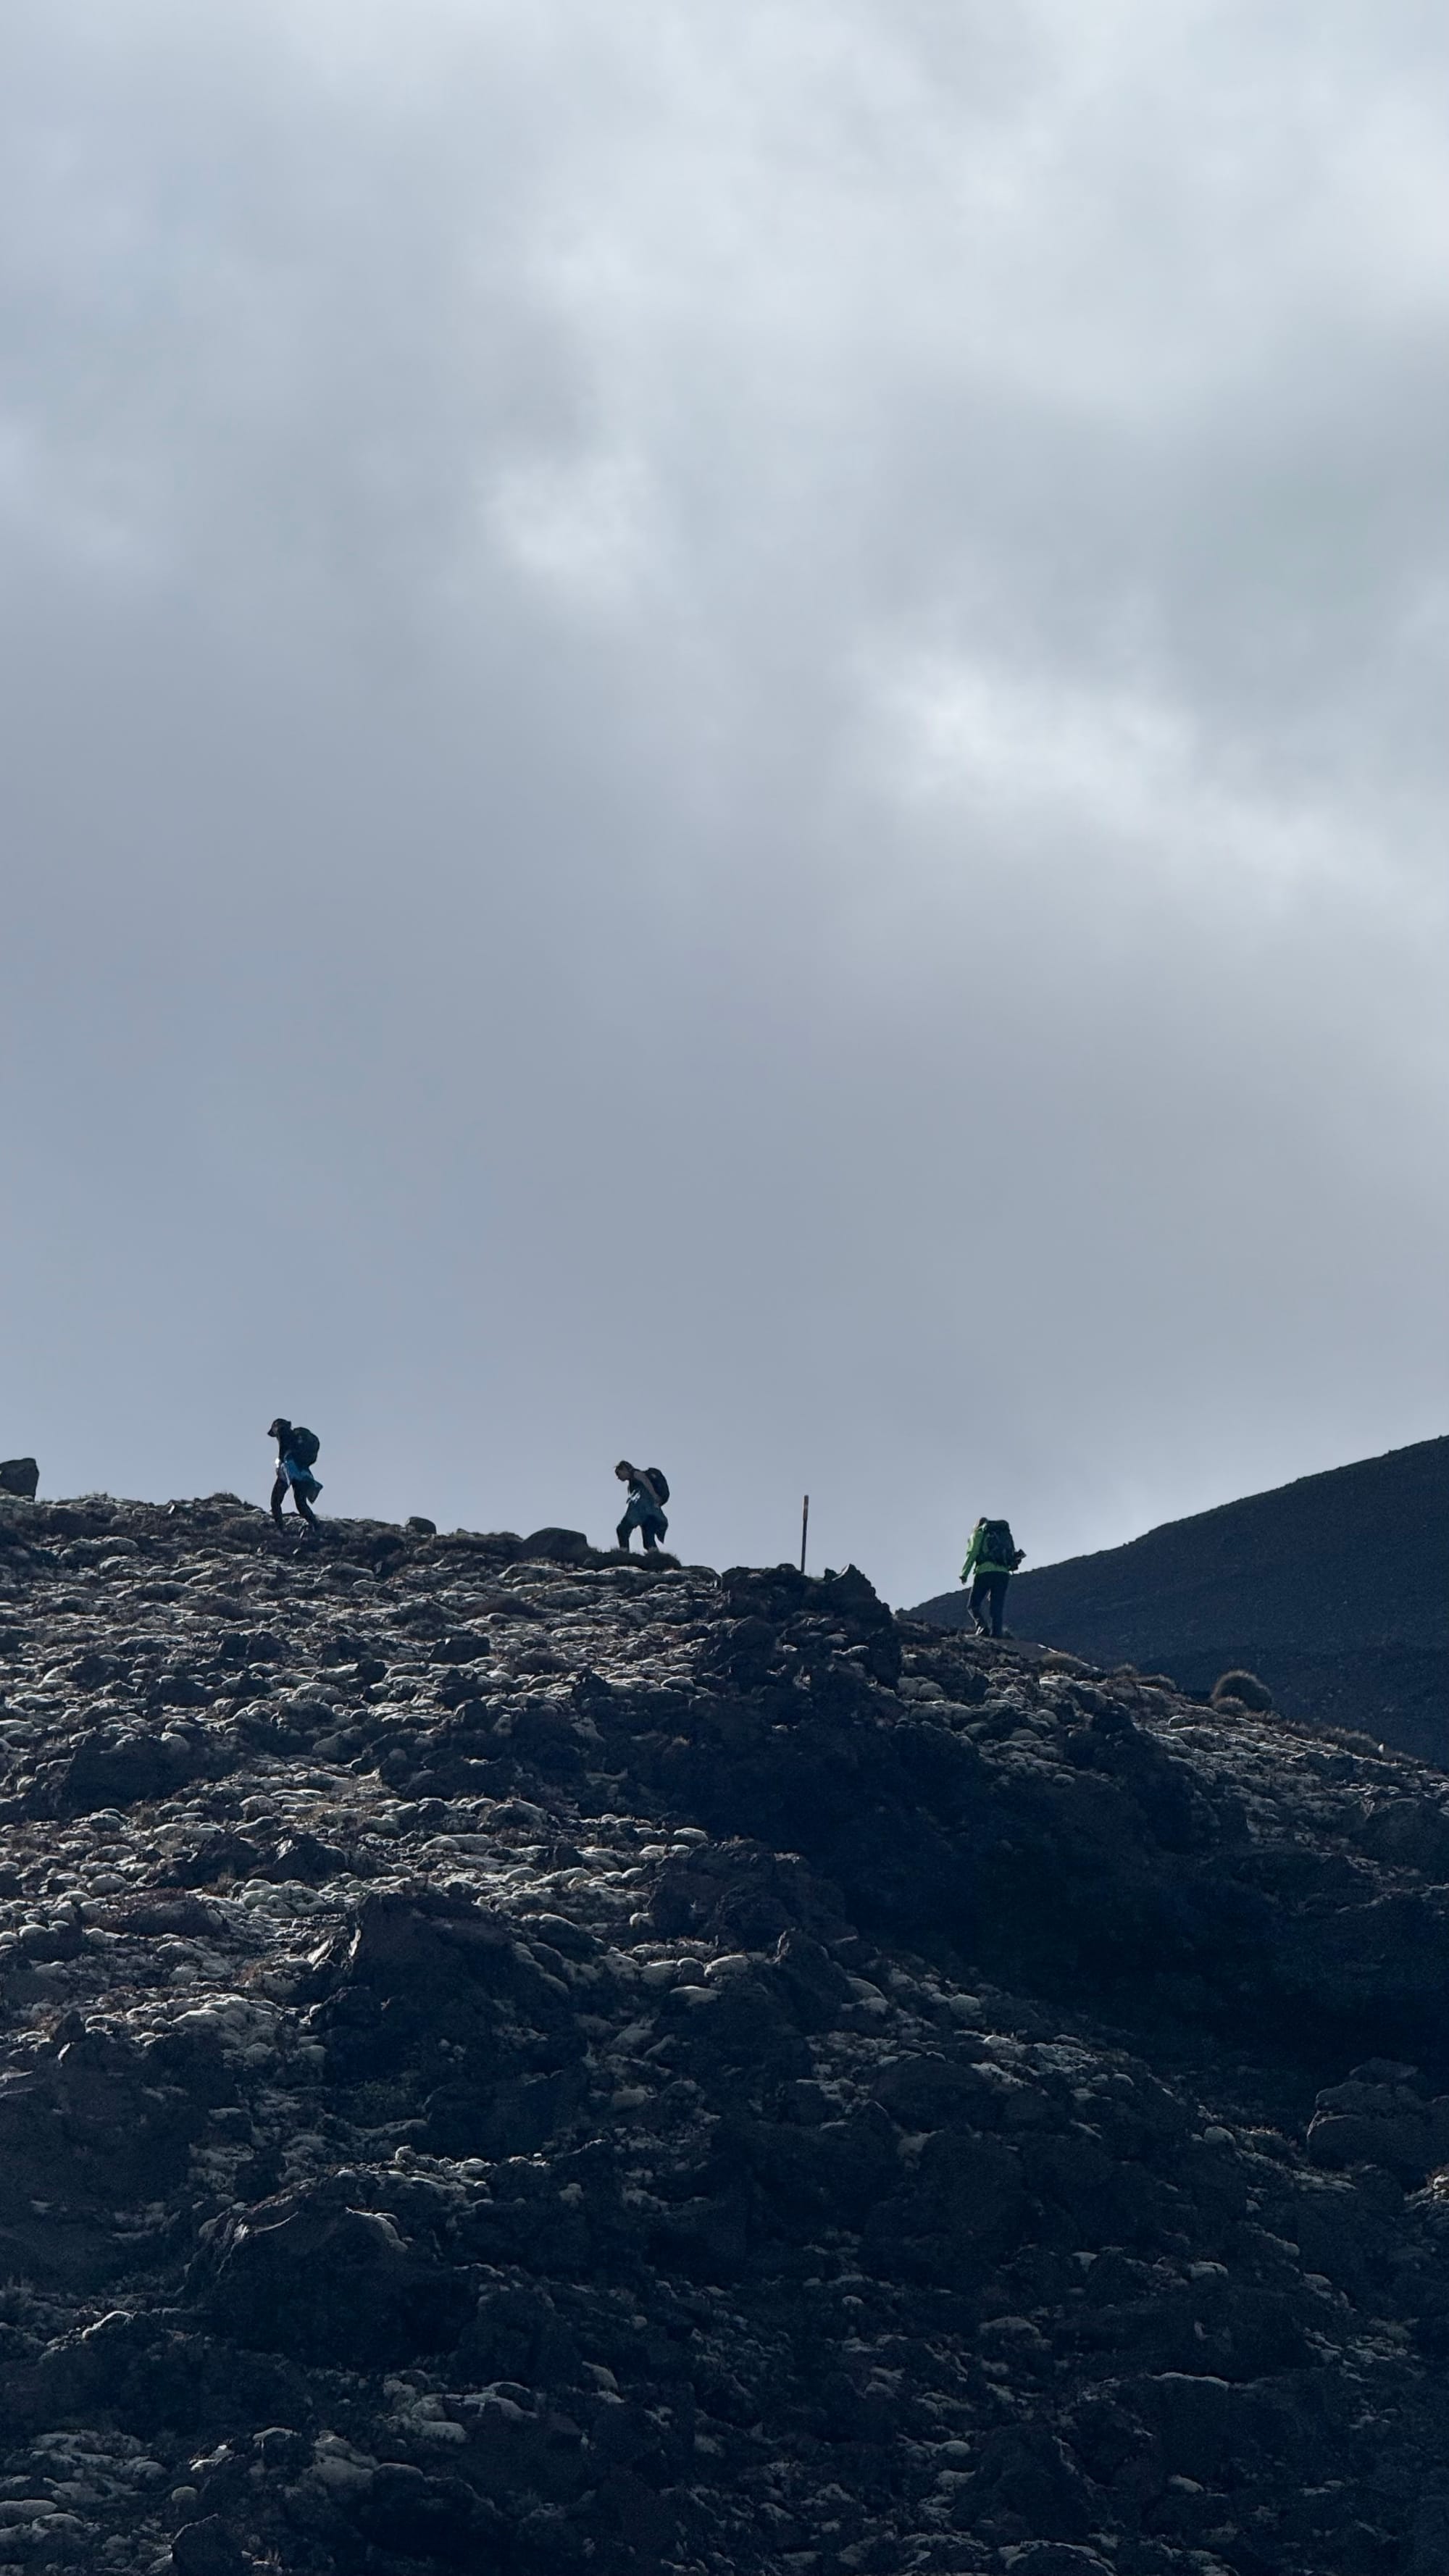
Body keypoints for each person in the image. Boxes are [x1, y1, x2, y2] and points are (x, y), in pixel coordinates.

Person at [960, 1515, 1023, 1637]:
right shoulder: (1003, 1534)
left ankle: (982, 1627)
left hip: (985, 1572)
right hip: (1003, 1574)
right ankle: (997, 1634)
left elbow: (972, 1553)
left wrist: (964, 1574)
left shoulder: (979, 1534)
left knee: (973, 1605)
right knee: (997, 1606)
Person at [269, 1418, 323, 1539]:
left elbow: (282, 1442)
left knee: (275, 1501)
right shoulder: (297, 1442)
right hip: (303, 1472)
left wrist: (280, 1460)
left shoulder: (282, 1431)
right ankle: (316, 1527)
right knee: (301, 1504)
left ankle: (281, 1531)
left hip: (289, 1469)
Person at [615, 1460, 669, 1553]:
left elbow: (646, 1481)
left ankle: (624, 1552)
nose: (618, 1477)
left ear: (624, 1469)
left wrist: (655, 1496)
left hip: (641, 1509)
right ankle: (655, 1556)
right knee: (648, 1536)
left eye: (618, 1473)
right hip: (652, 1511)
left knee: (622, 1529)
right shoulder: (633, 1481)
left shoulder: (636, 1474)